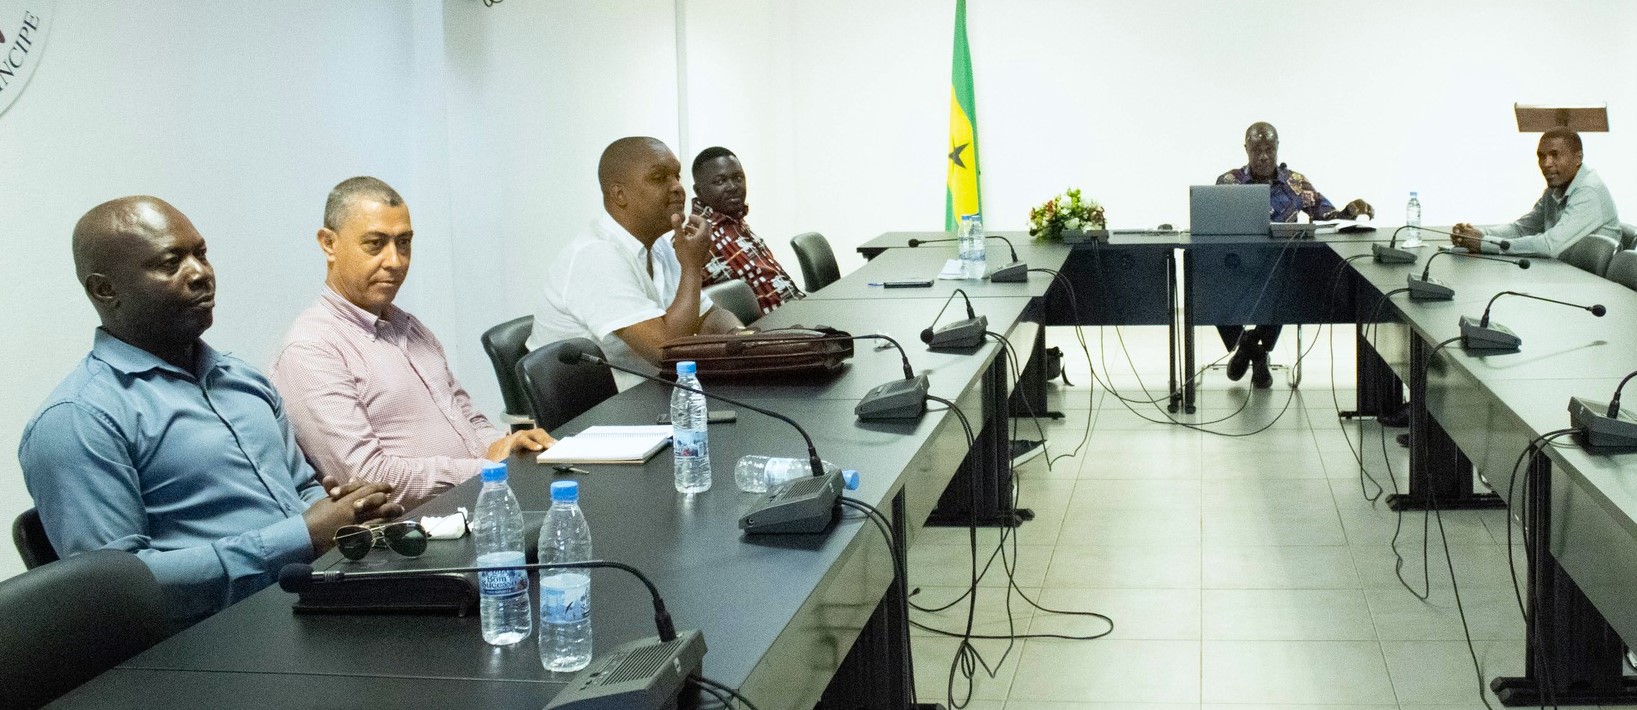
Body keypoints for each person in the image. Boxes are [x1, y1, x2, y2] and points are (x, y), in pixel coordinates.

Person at [19, 196, 403, 625]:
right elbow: (116, 591)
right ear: (105, 289)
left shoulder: (242, 379)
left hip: (312, 601)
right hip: (212, 643)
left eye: (200, 254)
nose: (201, 273)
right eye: (170, 263)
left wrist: (349, 515)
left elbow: (301, 489)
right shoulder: (78, 419)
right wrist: (302, 537)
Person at [270, 177, 555, 510]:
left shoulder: (409, 327)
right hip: (410, 540)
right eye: (375, 244)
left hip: (476, 503)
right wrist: (489, 469)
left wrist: (507, 445)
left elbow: (469, 418)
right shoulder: (310, 350)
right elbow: (368, 479)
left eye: (403, 242)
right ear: (329, 244)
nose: (395, 261)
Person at [528, 136, 744, 390]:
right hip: (598, 415)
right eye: (659, 177)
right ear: (620, 195)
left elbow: (709, 316)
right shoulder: (596, 256)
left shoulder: (659, 244)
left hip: (652, 393)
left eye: (677, 175)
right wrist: (692, 267)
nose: (677, 187)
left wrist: (743, 339)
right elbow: (667, 352)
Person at [1215, 121, 1374, 387]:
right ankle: (1253, 349)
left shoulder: (1295, 182)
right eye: (1257, 150)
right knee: (1207, 285)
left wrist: (1350, 211)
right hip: (1238, 267)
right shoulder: (1229, 182)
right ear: (1246, 150)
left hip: (1280, 268)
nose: (1264, 156)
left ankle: (1252, 349)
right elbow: (1214, 222)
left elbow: (1327, 215)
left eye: (1269, 149)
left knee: (1291, 281)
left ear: (1277, 148)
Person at [1450, 127, 1620, 257]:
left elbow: (1549, 246)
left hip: (1590, 289)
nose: (1546, 163)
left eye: (1554, 155)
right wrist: (1476, 234)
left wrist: (1483, 243)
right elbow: (1521, 229)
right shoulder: (1556, 188)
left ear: (1578, 158)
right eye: (1541, 156)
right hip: (1563, 277)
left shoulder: (1589, 191)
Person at [690, 146, 803, 314]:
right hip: (770, 332)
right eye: (720, 181)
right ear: (699, 191)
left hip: (795, 312)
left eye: (738, 178)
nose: (732, 186)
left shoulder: (734, 222)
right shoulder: (695, 238)